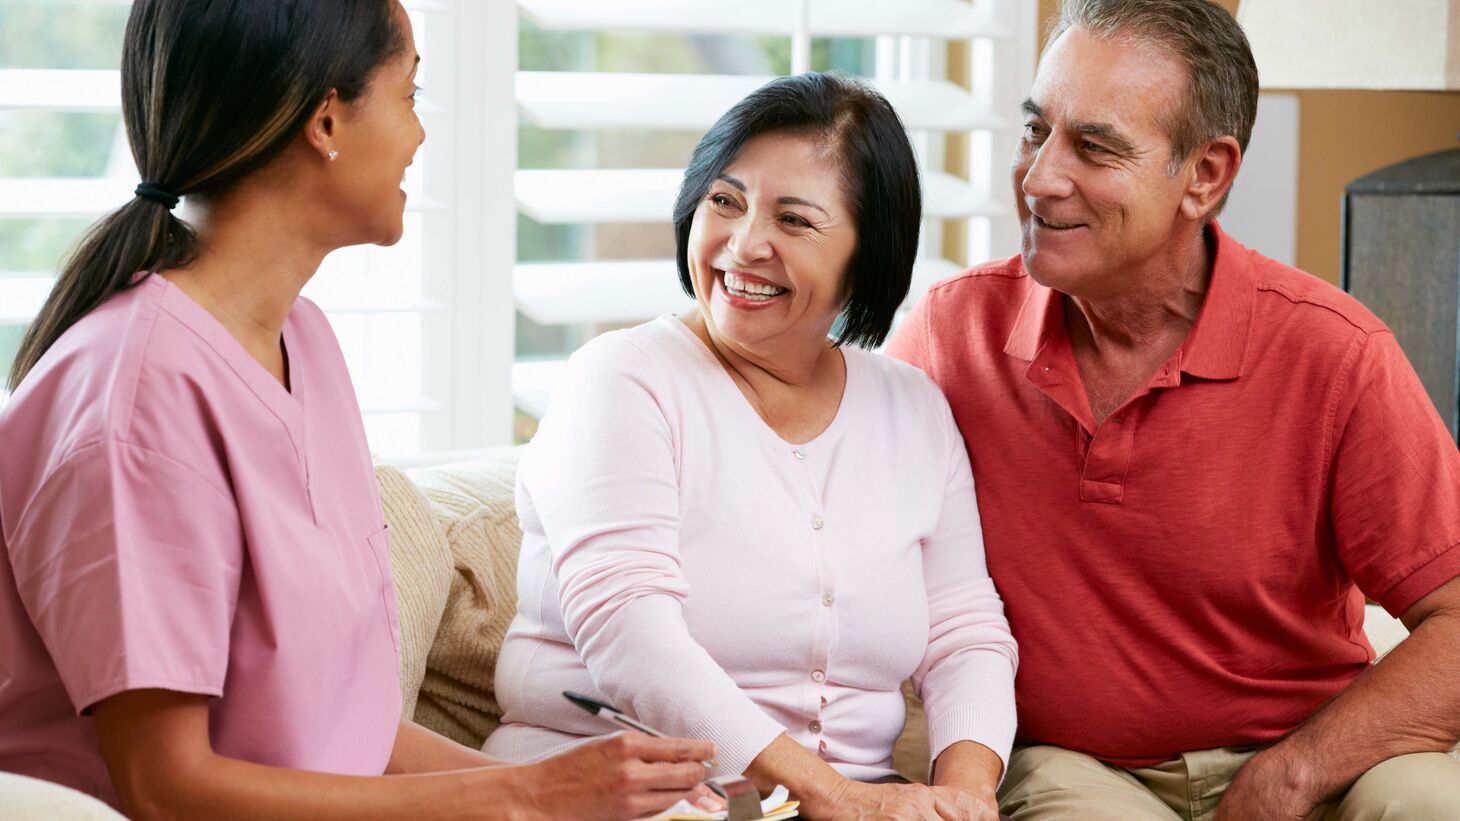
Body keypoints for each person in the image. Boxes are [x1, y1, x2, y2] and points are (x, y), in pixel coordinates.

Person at [0, 1, 716, 818]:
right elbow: (168, 790)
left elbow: (351, 737)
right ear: (328, 120)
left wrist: (583, 794)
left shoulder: (302, 342)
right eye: (411, 94)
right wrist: (526, 795)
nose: (420, 135)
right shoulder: (137, 398)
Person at [886, 1, 1460, 819]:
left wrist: (1290, 776)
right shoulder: (952, 333)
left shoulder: (1336, 354)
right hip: (1074, 767)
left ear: (1205, 176)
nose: (1039, 176)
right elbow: (818, 506)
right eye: (1034, 130)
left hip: (1310, 753)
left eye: (1094, 146)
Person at [486, 72, 1019, 821]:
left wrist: (963, 796)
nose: (743, 245)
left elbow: (966, 632)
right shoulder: (623, 378)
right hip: (624, 795)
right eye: (725, 201)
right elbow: (629, 627)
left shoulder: (915, 411)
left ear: (868, 255)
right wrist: (831, 792)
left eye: (794, 221)